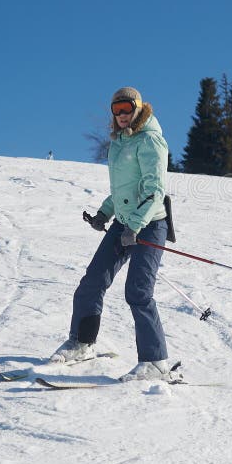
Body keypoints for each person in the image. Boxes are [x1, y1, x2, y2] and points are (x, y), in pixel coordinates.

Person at [50, 87, 173, 382]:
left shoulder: (150, 140)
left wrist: (135, 225)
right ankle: (82, 344)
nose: (120, 115)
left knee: (139, 293)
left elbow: (155, 191)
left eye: (126, 108)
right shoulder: (118, 142)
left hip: (150, 223)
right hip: (124, 222)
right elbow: (122, 191)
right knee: (91, 283)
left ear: (138, 108)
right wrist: (105, 213)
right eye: (116, 109)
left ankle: (155, 362)